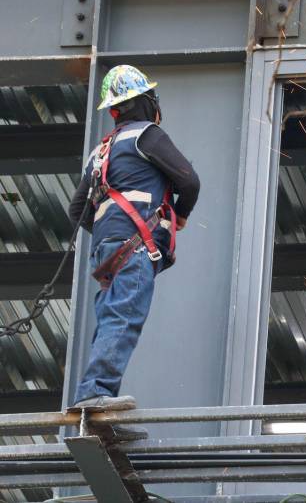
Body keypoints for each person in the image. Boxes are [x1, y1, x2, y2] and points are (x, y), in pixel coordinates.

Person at [67, 65, 200, 440]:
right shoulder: (148, 135)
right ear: (147, 102)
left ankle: (95, 408)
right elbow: (189, 180)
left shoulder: (102, 151)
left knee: (111, 318)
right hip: (134, 248)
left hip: (108, 249)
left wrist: (113, 232)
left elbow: (78, 212)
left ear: (114, 111)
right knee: (123, 319)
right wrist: (182, 216)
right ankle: (95, 396)